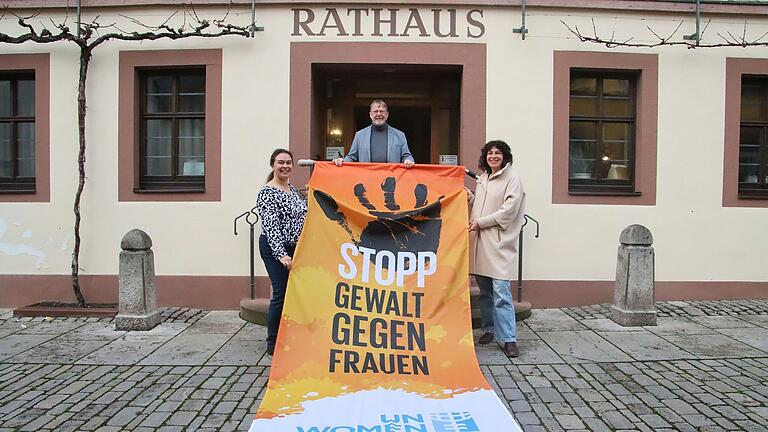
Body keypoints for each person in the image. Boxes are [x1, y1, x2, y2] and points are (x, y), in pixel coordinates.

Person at [467, 140, 525, 358]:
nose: (493, 156)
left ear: (505, 156)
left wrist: (481, 222)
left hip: (497, 243)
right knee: (485, 292)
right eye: (490, 153)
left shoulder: (513, 179)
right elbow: (482, 205)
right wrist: (471, 198)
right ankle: (490, 329)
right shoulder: (483, 178)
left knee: (501, 293)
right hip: (480, 242)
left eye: (497, 153)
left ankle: (509, 338)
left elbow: (508, 211)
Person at [256, 148, 307, 356]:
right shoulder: (268, 192)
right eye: (281, 162)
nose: (285, 166)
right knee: (281, 293)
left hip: (293, 247)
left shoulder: (291, 188)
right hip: (274, 248)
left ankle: (290, 335)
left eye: (288, 162)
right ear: (273, 165)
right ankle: (273, 343)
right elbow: (271, 226)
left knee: (293, 293)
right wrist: (281, 254)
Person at [333, 100, 415, 168]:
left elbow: (407, 156)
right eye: (375, 111)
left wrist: (408, 160)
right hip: (367, 181)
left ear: (387, 115)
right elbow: (352, 157)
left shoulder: (399, 135)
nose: (379, 114)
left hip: (391, 182)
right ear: (370, 114)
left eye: (382, 111)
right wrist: (342, 160)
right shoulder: (359, 135)